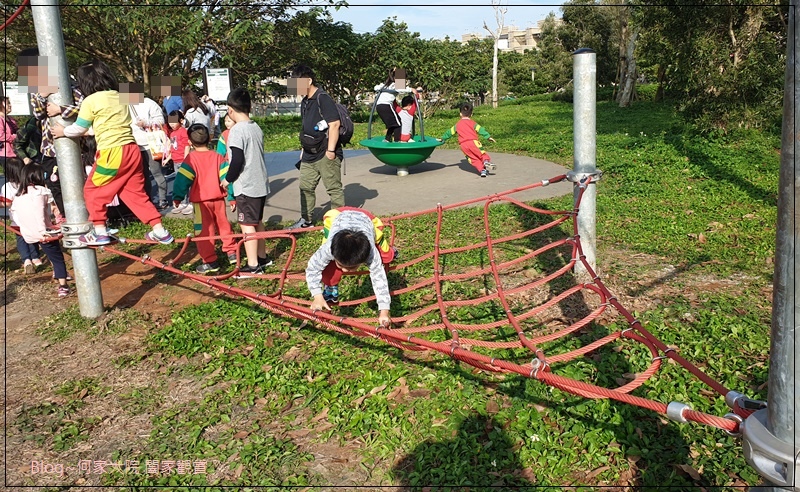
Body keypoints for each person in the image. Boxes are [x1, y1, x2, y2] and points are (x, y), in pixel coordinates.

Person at [51, 59, 173, 246]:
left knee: (93, 190)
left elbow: (79, 128)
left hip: (112, 153)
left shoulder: (90, 101)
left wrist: (62, 132)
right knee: (135, 194)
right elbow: (106, 126)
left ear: (85, 84)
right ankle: (160, 230)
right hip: (132, 151)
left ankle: (99, 231)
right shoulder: (121, 96)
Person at [18, 47, 84, 219]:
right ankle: (67, 217)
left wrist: (59, 109)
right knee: (54, 185)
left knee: (78, 182)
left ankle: (87, 218)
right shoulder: (36, 89)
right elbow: (39, 114)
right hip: (49, 147)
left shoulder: (66, 81)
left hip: (73, 142)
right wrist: (42, 95)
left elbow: (84, 109)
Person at [306, 207, 395, 327]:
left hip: (366, 217)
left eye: (352, 268)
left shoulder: (371, 253)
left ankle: (393, 251)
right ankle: (330, 288)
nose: (345, 270)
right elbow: (313, 268)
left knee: (386, 257)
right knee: (327, 268)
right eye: (341, 265)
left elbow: (379, 279)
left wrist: (384, 311)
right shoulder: (328, 248)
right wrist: (317, 296)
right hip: (339, 215)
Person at [171, 124, 238, 274]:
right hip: (219, 201)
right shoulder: (218, 157)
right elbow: (228, 179)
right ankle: (232, 252)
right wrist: (232, 198)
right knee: (224, 225)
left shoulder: (191, 159)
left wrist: (177, 197)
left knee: (204, 232)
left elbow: (182, 180)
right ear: (209, 138)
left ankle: (210, 261)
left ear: (189, 141)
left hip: (201, 203)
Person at [219, 87, 271, 275]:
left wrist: (227, 180)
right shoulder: (255, 127)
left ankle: (252, 266)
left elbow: (238, 160)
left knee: (247, 225)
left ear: (230, 110)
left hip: (246, 186)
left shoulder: (236, 131)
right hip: (260, 184)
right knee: (257, 221)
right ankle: (263, 257)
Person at [287, 64, 344, 230]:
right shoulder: (305, 101)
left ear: (309, 80)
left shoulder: (322, 98)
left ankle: (339, 223)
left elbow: (334, 124)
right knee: (305, 187)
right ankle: (306, 220)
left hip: (325, 151)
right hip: (309, 153)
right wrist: (303, 150)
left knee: (333, 189)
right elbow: (306, 127)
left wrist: (331, 151)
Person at [10, 163, 71, 297]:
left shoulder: (19, 195)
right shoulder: (40, 191)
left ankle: (59, 272)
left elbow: (14, 213)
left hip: (28, 234)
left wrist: (26, 228)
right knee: (57, 258)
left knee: (51, 254)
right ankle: (63, 285)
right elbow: (40, 211)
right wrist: (44, 230)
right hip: (43, 233)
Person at [126, 83, 169, 210]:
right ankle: (148, 201)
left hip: (151, 144)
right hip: (133, 144)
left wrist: (146, 123)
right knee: (142, 175)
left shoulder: (149, 103)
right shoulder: (124, 105)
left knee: (156, 173)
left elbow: (161, 120)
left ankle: (163, 199)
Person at [1, 157, 43, 273]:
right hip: (31, 217)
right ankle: (36, 259)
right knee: (32, 238)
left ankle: (26, 261)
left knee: (21, 239)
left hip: (17, 220)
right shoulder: (29, 182)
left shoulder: (7, 187)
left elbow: (7, 202)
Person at [438, 102, 497, 178]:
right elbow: (481, 130)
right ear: (471, 114)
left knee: (473, 159)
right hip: (473, 142)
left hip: (463, 145)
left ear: (460, 114)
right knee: (481, 154)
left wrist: (442, 138)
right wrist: (488, 137)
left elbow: (449, 132)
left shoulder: (457, 125)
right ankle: (485, 161)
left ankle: (482, 171)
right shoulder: (473, 123)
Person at [164, 110, 193, 215]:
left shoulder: (183, 131)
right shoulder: (172, 134)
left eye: (173, 121)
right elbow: (173, 148)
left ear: (181, 121)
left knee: (185, 182)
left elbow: (187, 145)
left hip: (183, 161)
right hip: (176, 161)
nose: (171, 124)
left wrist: (186, 158)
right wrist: (168, 159)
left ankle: (190, 202)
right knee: (179, 182)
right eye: (169, 122)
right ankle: (182, 202)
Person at [374, 69, 400, 142]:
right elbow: (403, 89)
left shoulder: (385, 85)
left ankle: (387, 139)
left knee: (392, 123)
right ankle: (397, 141)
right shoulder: (395, 85)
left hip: (379, 106)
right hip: (386, 105)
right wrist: (411, 89)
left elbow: (375, 87)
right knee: (398, 124)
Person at [0, 97, 19, 173]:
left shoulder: (10, 119)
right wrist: (15, 137)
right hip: (5, 153)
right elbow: (1, 136)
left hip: (14, 151)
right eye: (8, 103)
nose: (10, 105)